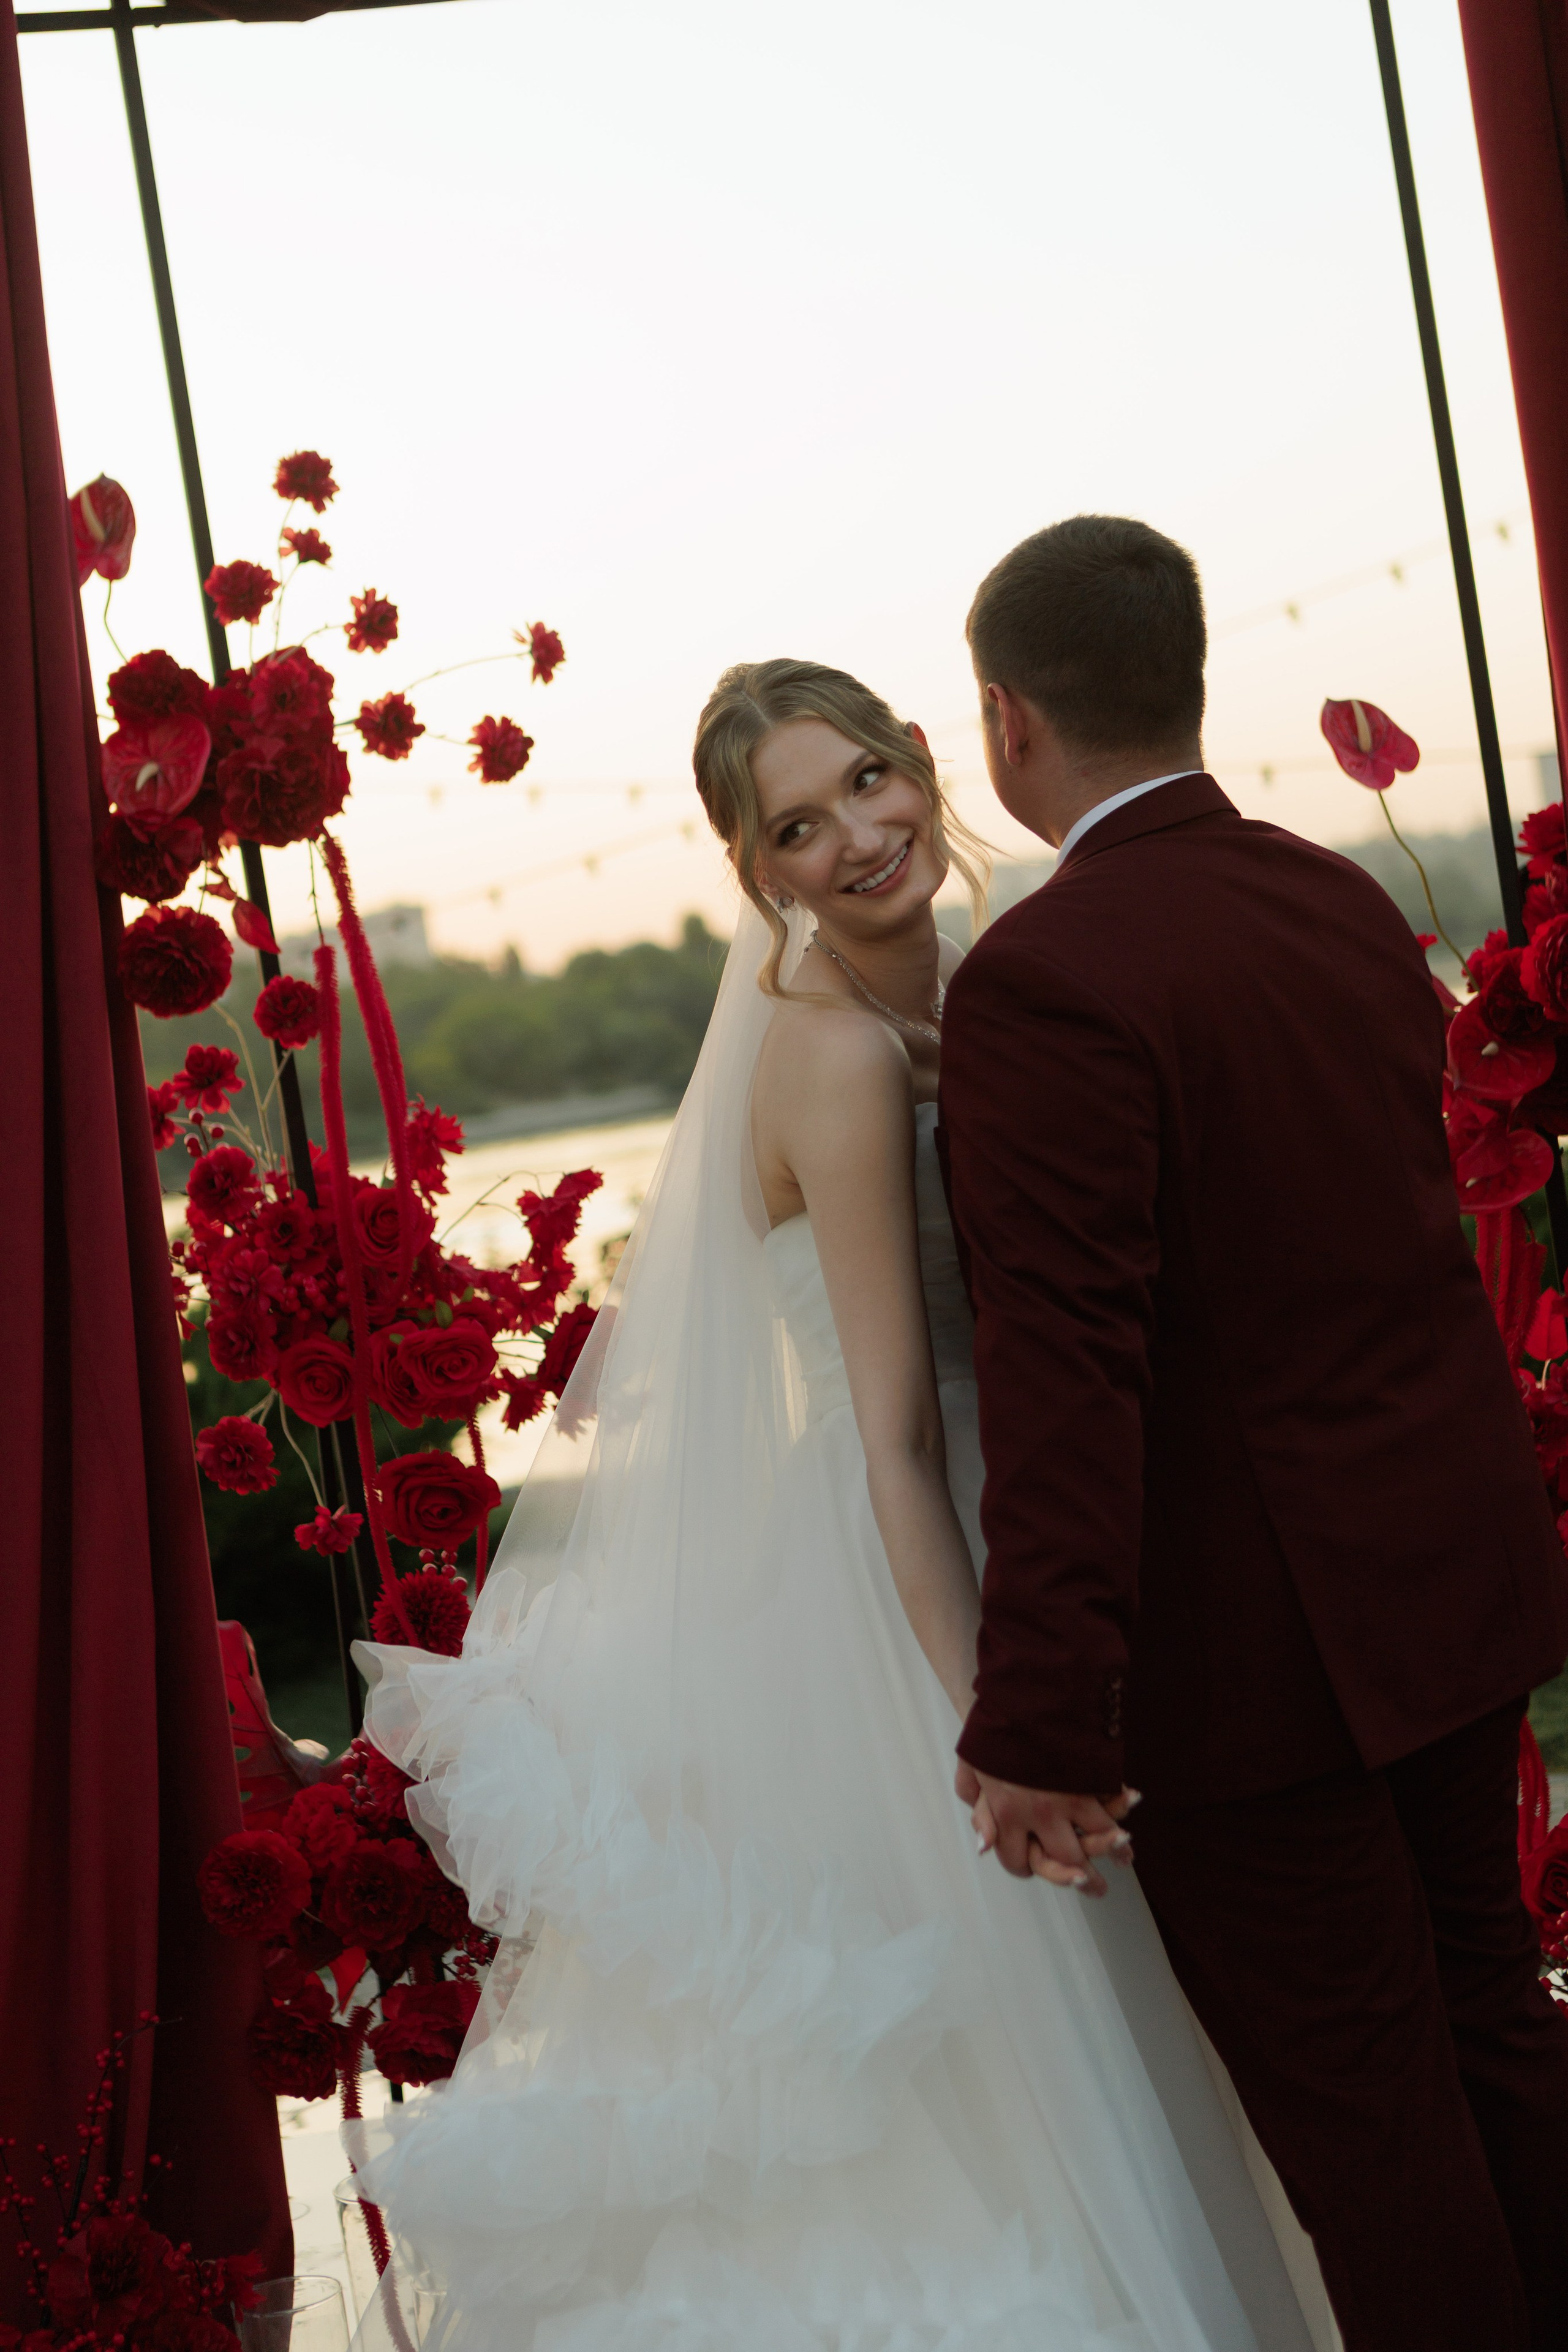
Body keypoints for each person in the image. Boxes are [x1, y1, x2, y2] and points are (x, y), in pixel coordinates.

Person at [348, 657, 1329, 2351]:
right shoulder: (833, 1061)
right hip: (917, 1570)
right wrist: (990, 1723)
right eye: (798, 825)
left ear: (927, 761)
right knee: (1019, 2060)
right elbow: (888, 1433)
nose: (860, 835)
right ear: (759, 877)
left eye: (869, 780)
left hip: (1052, 1527)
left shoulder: (1000, 980)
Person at [940, 513, 1568, 2352]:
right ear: (1185, 680)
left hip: (1255, 1664)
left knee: (1372, 2130)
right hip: (1442, 1591)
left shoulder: (1045, 981)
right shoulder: (1335, 899)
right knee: (1501, 2035)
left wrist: (1045, 1710)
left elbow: (1071, 1370)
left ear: (1006, 721)